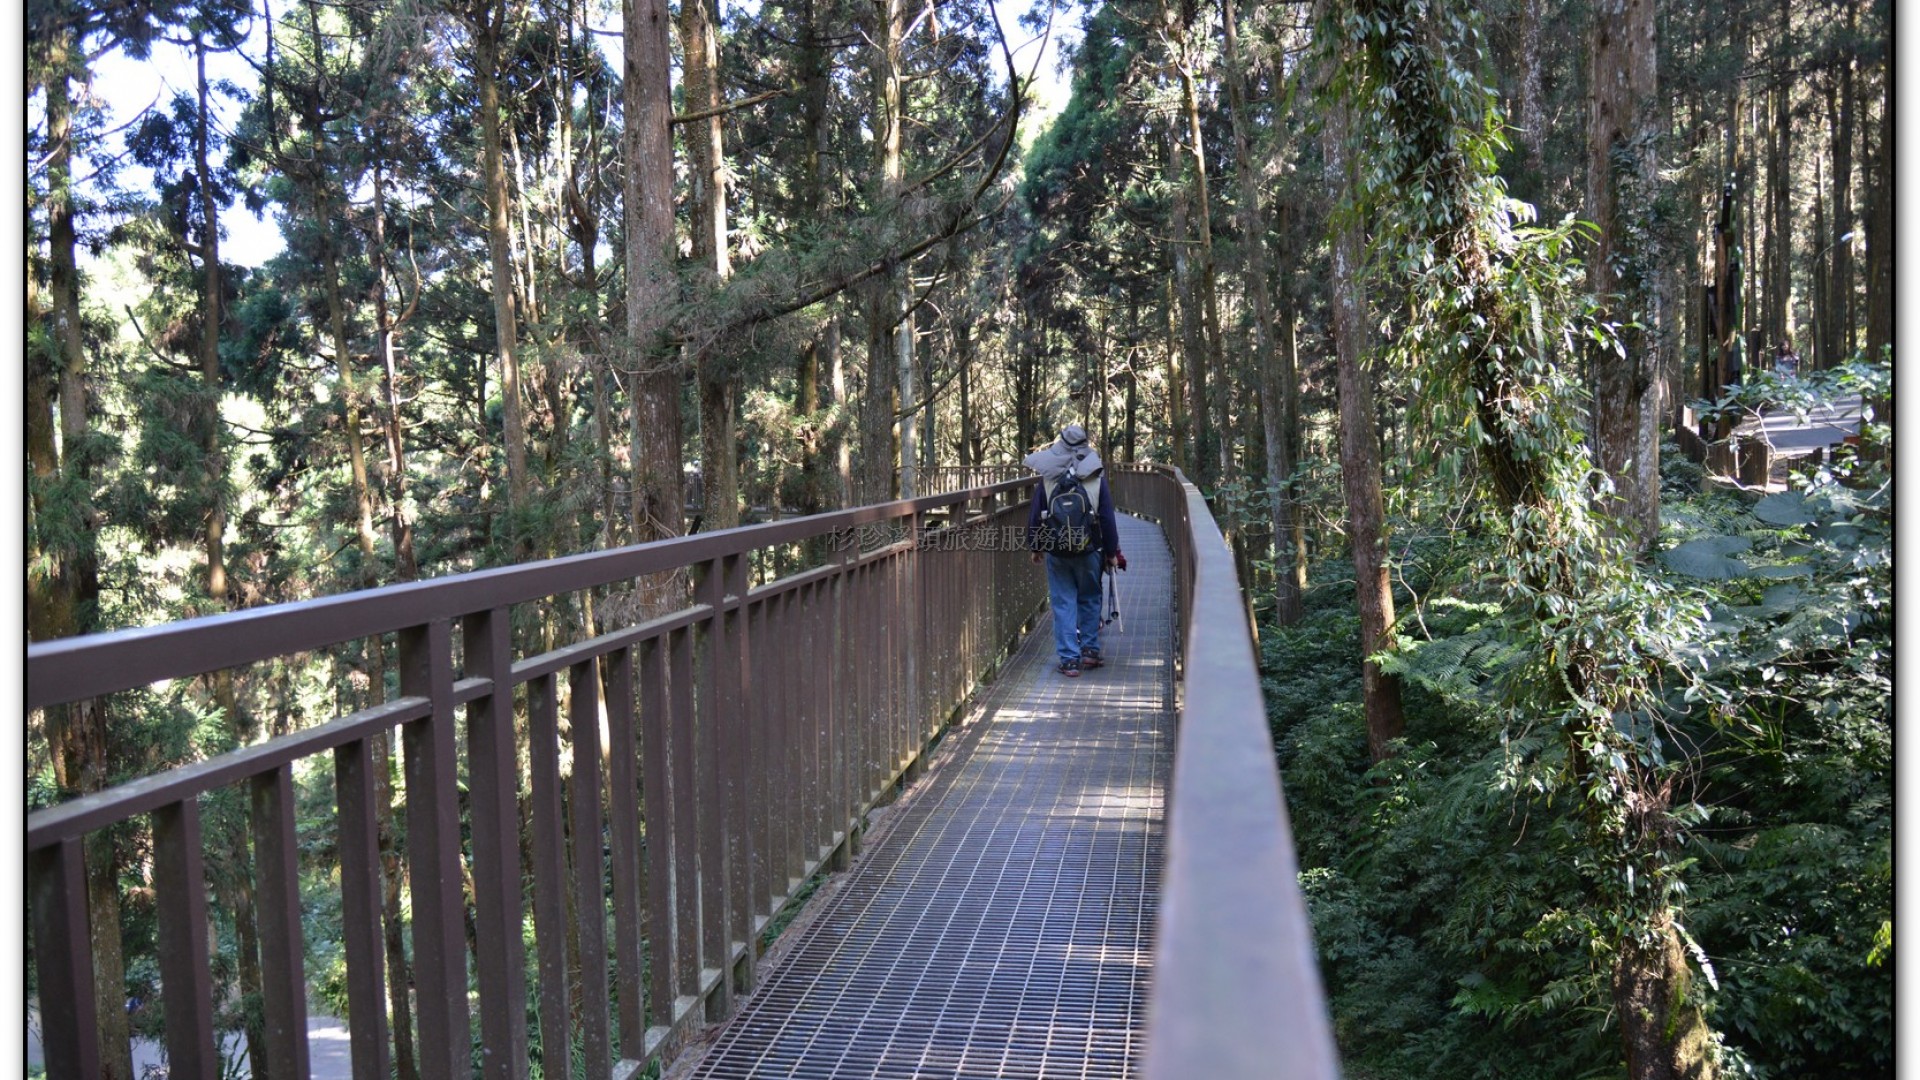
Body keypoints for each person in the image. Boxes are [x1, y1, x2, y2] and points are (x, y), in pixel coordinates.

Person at [1025, 424, 1125, 677]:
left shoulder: (1049, 474)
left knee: (1063, 601)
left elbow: (1037, 514)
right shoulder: (1095, 474)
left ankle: (1069, 659)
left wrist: (1036, 546)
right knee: (1090, 597)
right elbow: (1106, 517)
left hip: (1057, 550)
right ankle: (1090, 651)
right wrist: (1111, 552)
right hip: (1090, 548)